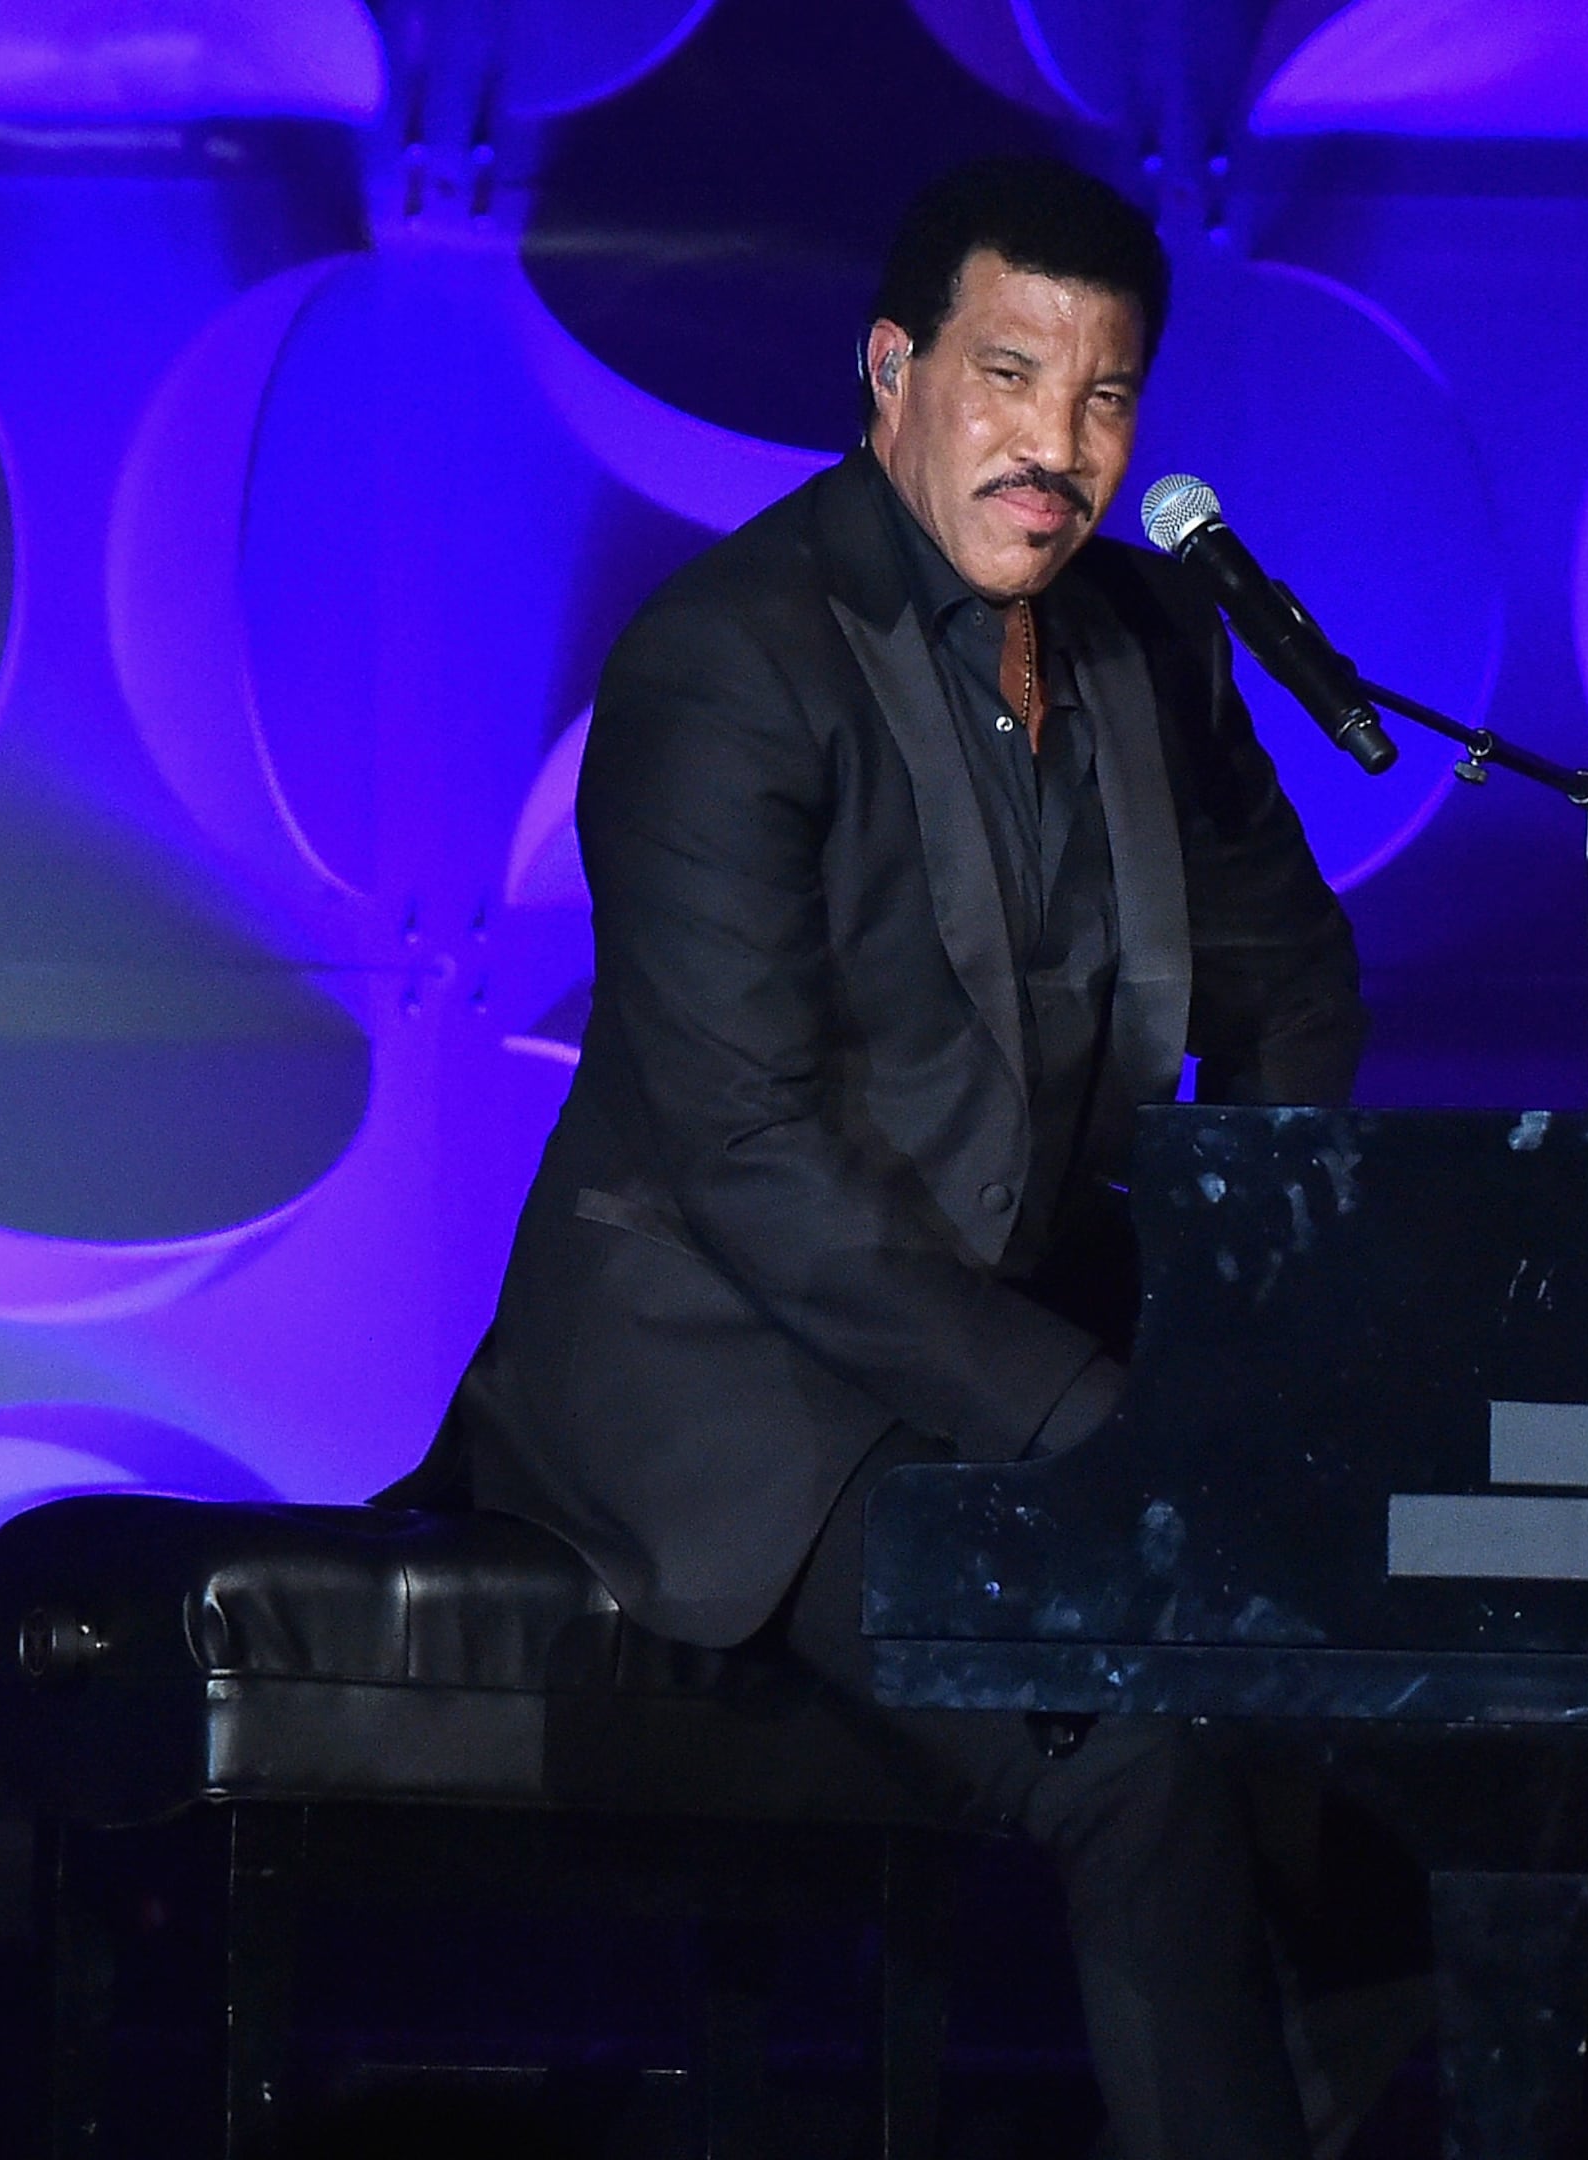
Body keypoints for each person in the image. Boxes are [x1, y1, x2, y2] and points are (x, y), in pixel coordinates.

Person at [383, 154, 1368, 2160]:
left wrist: (1250, 1320)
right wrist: (1103, 1422)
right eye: (1009, 377)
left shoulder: (1152, 645)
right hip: (741, 1384)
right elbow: (755, 1164)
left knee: (1395, 1734)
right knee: (1145, 1757)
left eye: (1103, 398)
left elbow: (1295, 989)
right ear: (893, 373)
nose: (1057, 447)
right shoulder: (723, 665)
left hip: (1025, 1361)